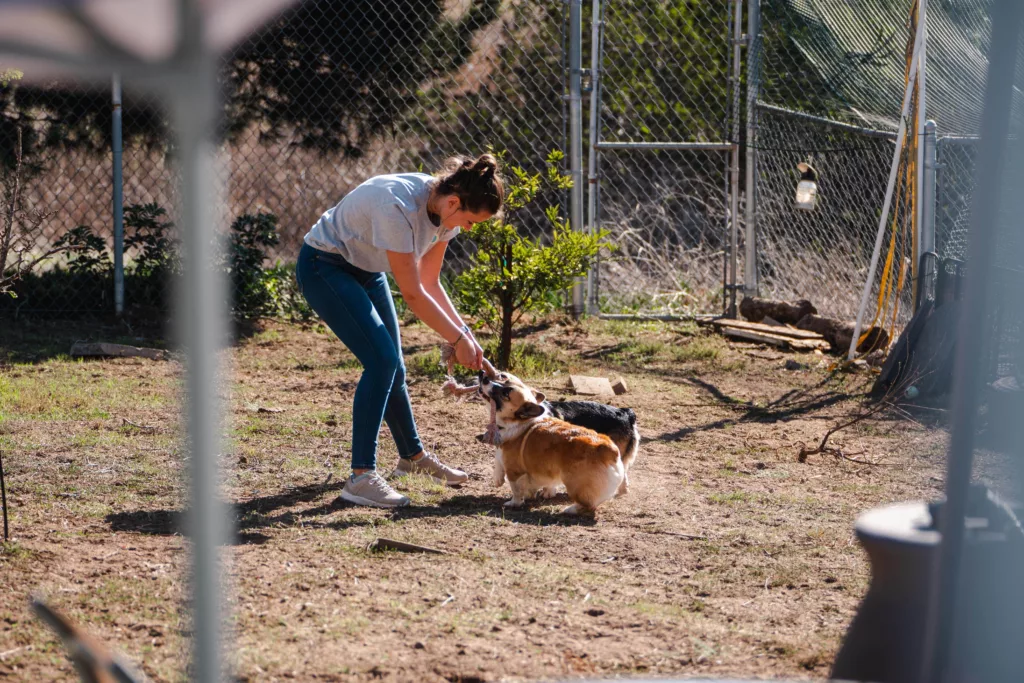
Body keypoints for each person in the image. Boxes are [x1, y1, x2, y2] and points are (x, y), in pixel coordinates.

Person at [296, 153, 504, 508]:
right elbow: (412, 294)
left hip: (366, 269)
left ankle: (412, 458)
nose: (469, 228)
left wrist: (465, 335)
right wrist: (455, 339)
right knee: (381, 361)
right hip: (325, 265)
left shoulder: (447, 215)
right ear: (454, 202)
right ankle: (361, 478)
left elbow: (430, 282)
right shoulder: (397, 206)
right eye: (470, 220)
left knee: (394, 367)